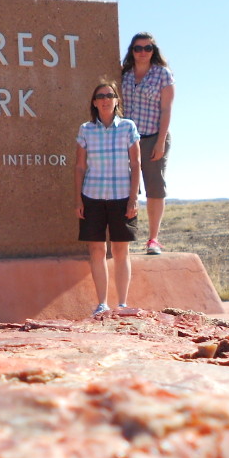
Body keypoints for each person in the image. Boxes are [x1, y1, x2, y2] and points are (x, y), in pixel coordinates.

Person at [75, 81, 141, 316]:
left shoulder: (127, 127)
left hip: (122, 196)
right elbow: (80, 166)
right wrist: (78, 199)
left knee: (121, 250)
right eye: (100, 96)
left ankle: (122, 304)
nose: (105, 99)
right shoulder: (86, 129)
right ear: (94, 102)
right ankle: (102, 303)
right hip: (92, 195)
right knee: (97, 250)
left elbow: (135, 163)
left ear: (116, 101)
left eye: (109, 95)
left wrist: (134, 199)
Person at [120, 32, 174, 255]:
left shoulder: (162, 74)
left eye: (147, 48)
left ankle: (153, 239)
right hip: (126, 140)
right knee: (127, 189)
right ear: (132, 51)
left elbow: (166, 109)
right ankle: (124, 237)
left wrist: (160, 141)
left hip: (153, 137)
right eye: (138, 48)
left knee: (155, 188)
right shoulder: (124, 74)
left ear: (154, 51)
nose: (143, 52)